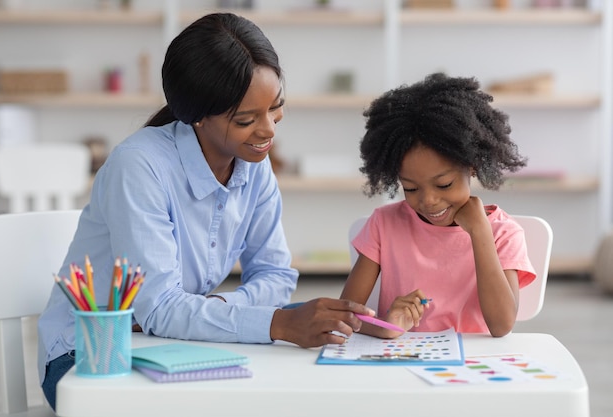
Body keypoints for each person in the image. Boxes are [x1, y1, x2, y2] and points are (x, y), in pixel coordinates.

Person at [38, 12, 372, 411]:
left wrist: (212, 310)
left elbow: (276, 275)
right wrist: (276, 322)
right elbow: (161, 307)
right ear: (196, 115)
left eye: (276, 108)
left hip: (170, 344)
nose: (268, 131)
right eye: (247, 119)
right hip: (87, 358)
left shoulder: (253, 162)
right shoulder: (139, 167)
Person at [340, 72, 536, 339]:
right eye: (410, 188)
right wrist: (388, 326)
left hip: (473, 369)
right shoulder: (384, 224)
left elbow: (501, 325)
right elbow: (346, 315)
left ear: (472, 167)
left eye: (444, 185)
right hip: (399, 364)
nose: (428, 200)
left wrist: (480, 231)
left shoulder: (502, 233)